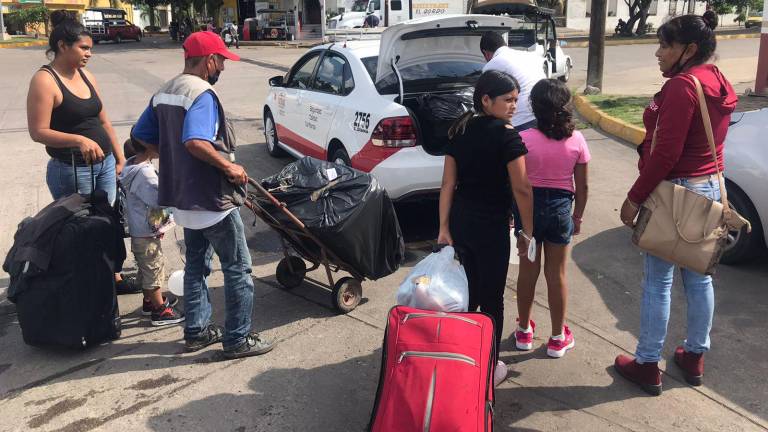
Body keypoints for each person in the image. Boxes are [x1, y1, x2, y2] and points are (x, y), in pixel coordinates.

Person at [131, 31, 276, 359]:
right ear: (209, 60)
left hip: (183, 201)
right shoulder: (202, 93)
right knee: (238, 267)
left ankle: (196, 332)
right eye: (222, 60)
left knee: (197, 265)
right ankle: (238, 338)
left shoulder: (165, 90)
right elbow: (196, 141)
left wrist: (170, 156)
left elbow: (139, 136)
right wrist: (228, 167)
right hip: (212, 201)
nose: (223, 67)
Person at [615, 13, 736, 396]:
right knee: (701, 278)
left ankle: (648, 363)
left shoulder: (683, 86)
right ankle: (694, 355)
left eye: (665, 45)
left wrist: (634, 199)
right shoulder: (716, 79)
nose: (658, 52)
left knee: (658, 282)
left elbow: (665, 156)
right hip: (708, 189)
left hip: (676, 192)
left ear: (689, 49)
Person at [26, 11, 139, 295]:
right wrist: (78, 140)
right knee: (80, 229)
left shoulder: (86, 75)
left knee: (108, 223)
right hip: (72, 169)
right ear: (63, 46)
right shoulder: (45, 80)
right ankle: (87, 286)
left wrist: (120, 158)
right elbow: (38, 131)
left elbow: (104, 121)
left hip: (105, 166)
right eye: (84, 48)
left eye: (91, 48)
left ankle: (111, 278)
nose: (89, 54)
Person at [437, 70, 535, 387]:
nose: (513, 106)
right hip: (491, 227)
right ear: (486, 99)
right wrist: (527, 231)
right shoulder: (507, 136)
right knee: (492, 298)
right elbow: (522, 188)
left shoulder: (459, 130)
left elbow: (448, 184)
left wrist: (443, 227)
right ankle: (489, 367)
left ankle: (459, 356)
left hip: (461, 222)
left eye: (516, 101)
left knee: (465, 294)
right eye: (508, 100)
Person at [511, 79, 590, 359]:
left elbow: (517, 184)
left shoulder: (523, 139)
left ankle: (523, 330)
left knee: (527, 272)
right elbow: (582, 187)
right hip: (559, 210)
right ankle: (557, 337)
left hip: (528, 212)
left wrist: (514, 216)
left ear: (534, 106)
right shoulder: (577, 139)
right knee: (556, 274)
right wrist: (577, 216)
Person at [119, 137, 184, 326]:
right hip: (145, 232)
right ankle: (160, 310)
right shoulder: (144, 174)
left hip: (143, 228)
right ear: (149, 147)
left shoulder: (132, 166)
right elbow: (159, 199)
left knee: (147, 269)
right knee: (154, 270)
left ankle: (149, 302)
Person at [480, 31, 546, 131]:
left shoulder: (493, 64)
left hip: (519, 121)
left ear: (486, 53)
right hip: (543, 116)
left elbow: (486, 100)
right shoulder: (529, 55)